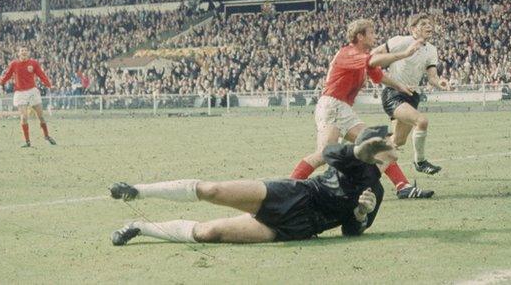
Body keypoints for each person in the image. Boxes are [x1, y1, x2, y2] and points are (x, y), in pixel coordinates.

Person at [109, 127, 396, 245]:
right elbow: (329, 153)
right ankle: (137, 190)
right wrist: (358, 152)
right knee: (213, 191)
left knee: (210, 232)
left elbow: (351, 231)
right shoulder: (354, 161)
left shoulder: (377, 192)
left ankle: (139, 227)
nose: (394, 148)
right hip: (294, 194)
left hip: (299, 228)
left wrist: (360, 215)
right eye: (388, 143)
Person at [289, 18, 433, 199]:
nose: (375, 36)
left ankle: (402, 186)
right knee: (324, 155)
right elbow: (374, 61)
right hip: (331, 106)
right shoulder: (348, 53)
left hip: (342, 109)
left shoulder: (363, 57)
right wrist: (404, 53)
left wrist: (400, 87)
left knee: (376, 145)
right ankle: (289, 187)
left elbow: (379, 76)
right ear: (360, 36)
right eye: (371, 33)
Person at [373, 13, 450, 174]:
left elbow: (432, 76)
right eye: (423, 24)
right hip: (393, 93)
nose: (429, 26)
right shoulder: (400, 41)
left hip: (412, 96)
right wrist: (378, 74)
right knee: (421, 121)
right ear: (413, 29)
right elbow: (374, 54)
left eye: (430, 23)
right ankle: (420, 162)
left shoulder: (431, 50)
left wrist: (439, 82)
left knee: (397, 141)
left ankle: (370, 167)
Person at [0, 46, 55, 147]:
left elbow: (41, 75)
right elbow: (8, 75)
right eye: (22, 51)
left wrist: (49, 85)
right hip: (20, 93)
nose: (24, 52)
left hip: (32, 91)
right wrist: (1, 81)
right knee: (24, 117)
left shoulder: (33, 63)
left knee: (41, 116)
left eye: (25, 50)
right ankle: (27, 141)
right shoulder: (14, 64)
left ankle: (46, 136)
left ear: (28, 53)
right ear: (18, 53)